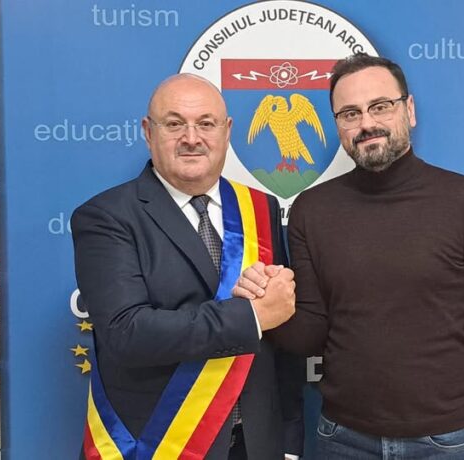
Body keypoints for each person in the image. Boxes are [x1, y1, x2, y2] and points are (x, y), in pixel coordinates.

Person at [235, 54, 464, 459]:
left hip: (445, 442)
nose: (366, 123)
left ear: (409, 110)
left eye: (380, 106)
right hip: (343, 440)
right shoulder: (311, 210)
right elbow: (310, 334)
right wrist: (265, 308)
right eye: (350, 113)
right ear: (337, 124)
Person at [71, 74, 304, 460]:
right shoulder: (106, 216)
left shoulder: (261, 206)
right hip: (160, 445)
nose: (191, 138)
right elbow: (127, 332)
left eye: (206, 123)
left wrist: (290, 441)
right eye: (174, 123)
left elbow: (280, 339)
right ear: (148, 131)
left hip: (256, 445)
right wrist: (250, 316)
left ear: (227, 131)